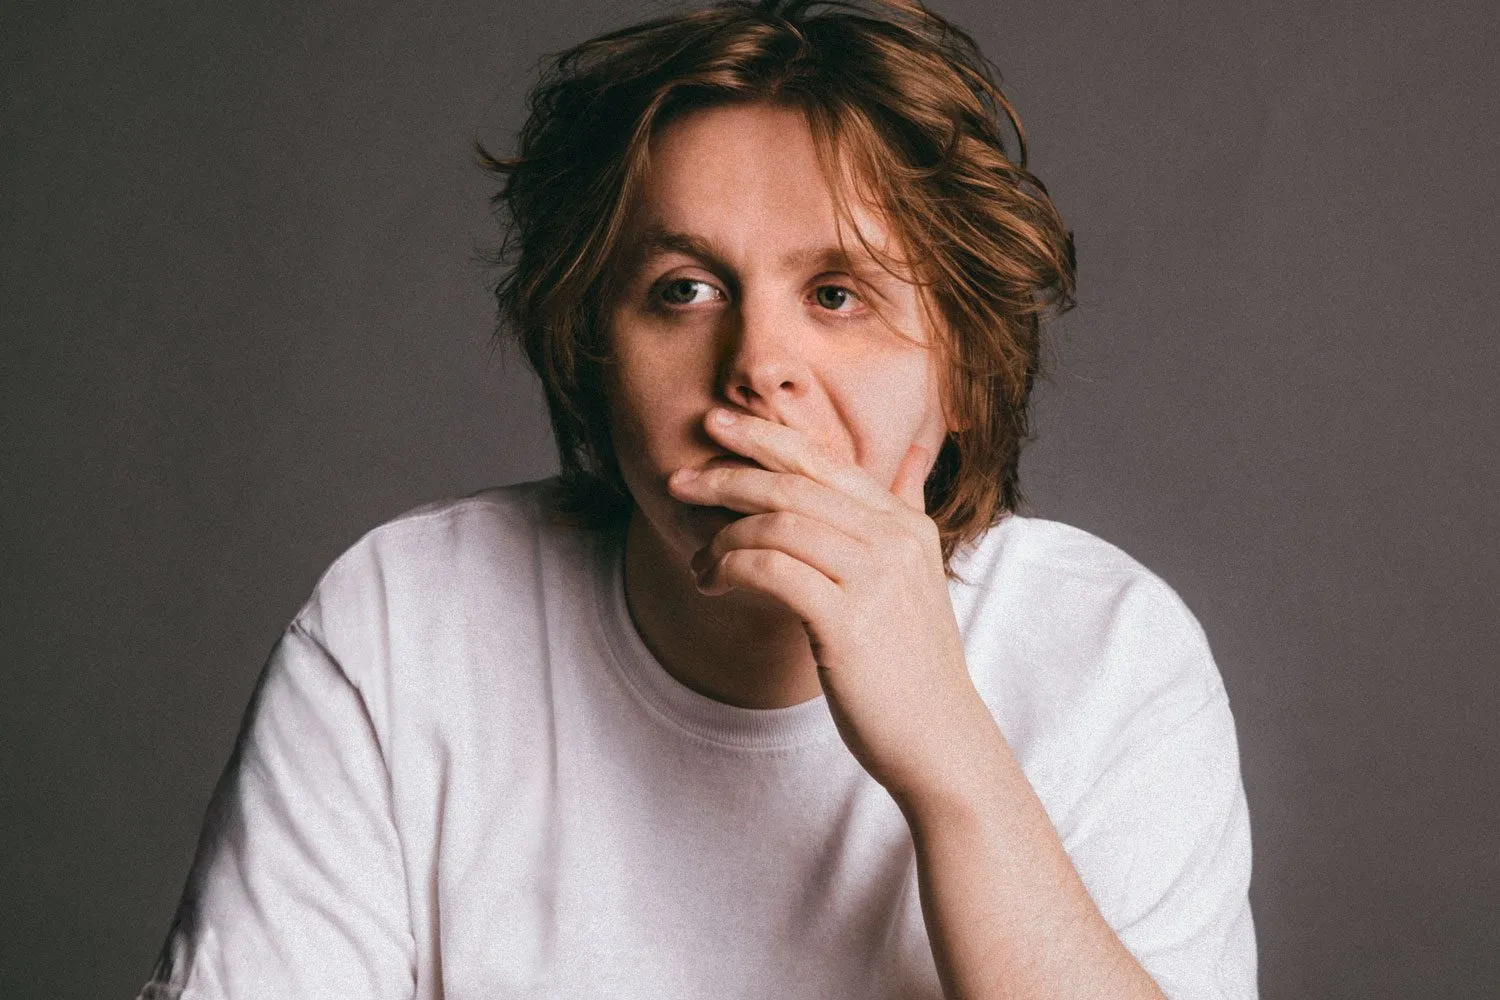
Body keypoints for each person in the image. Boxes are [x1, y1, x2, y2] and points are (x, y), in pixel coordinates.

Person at [137, 1, 1257, 998]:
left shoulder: (1110, 652)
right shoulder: (400, 628)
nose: (758, 364)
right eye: (684, 290)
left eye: (838, 294)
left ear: (961, 373)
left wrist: (950, 757)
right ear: (591, 356)